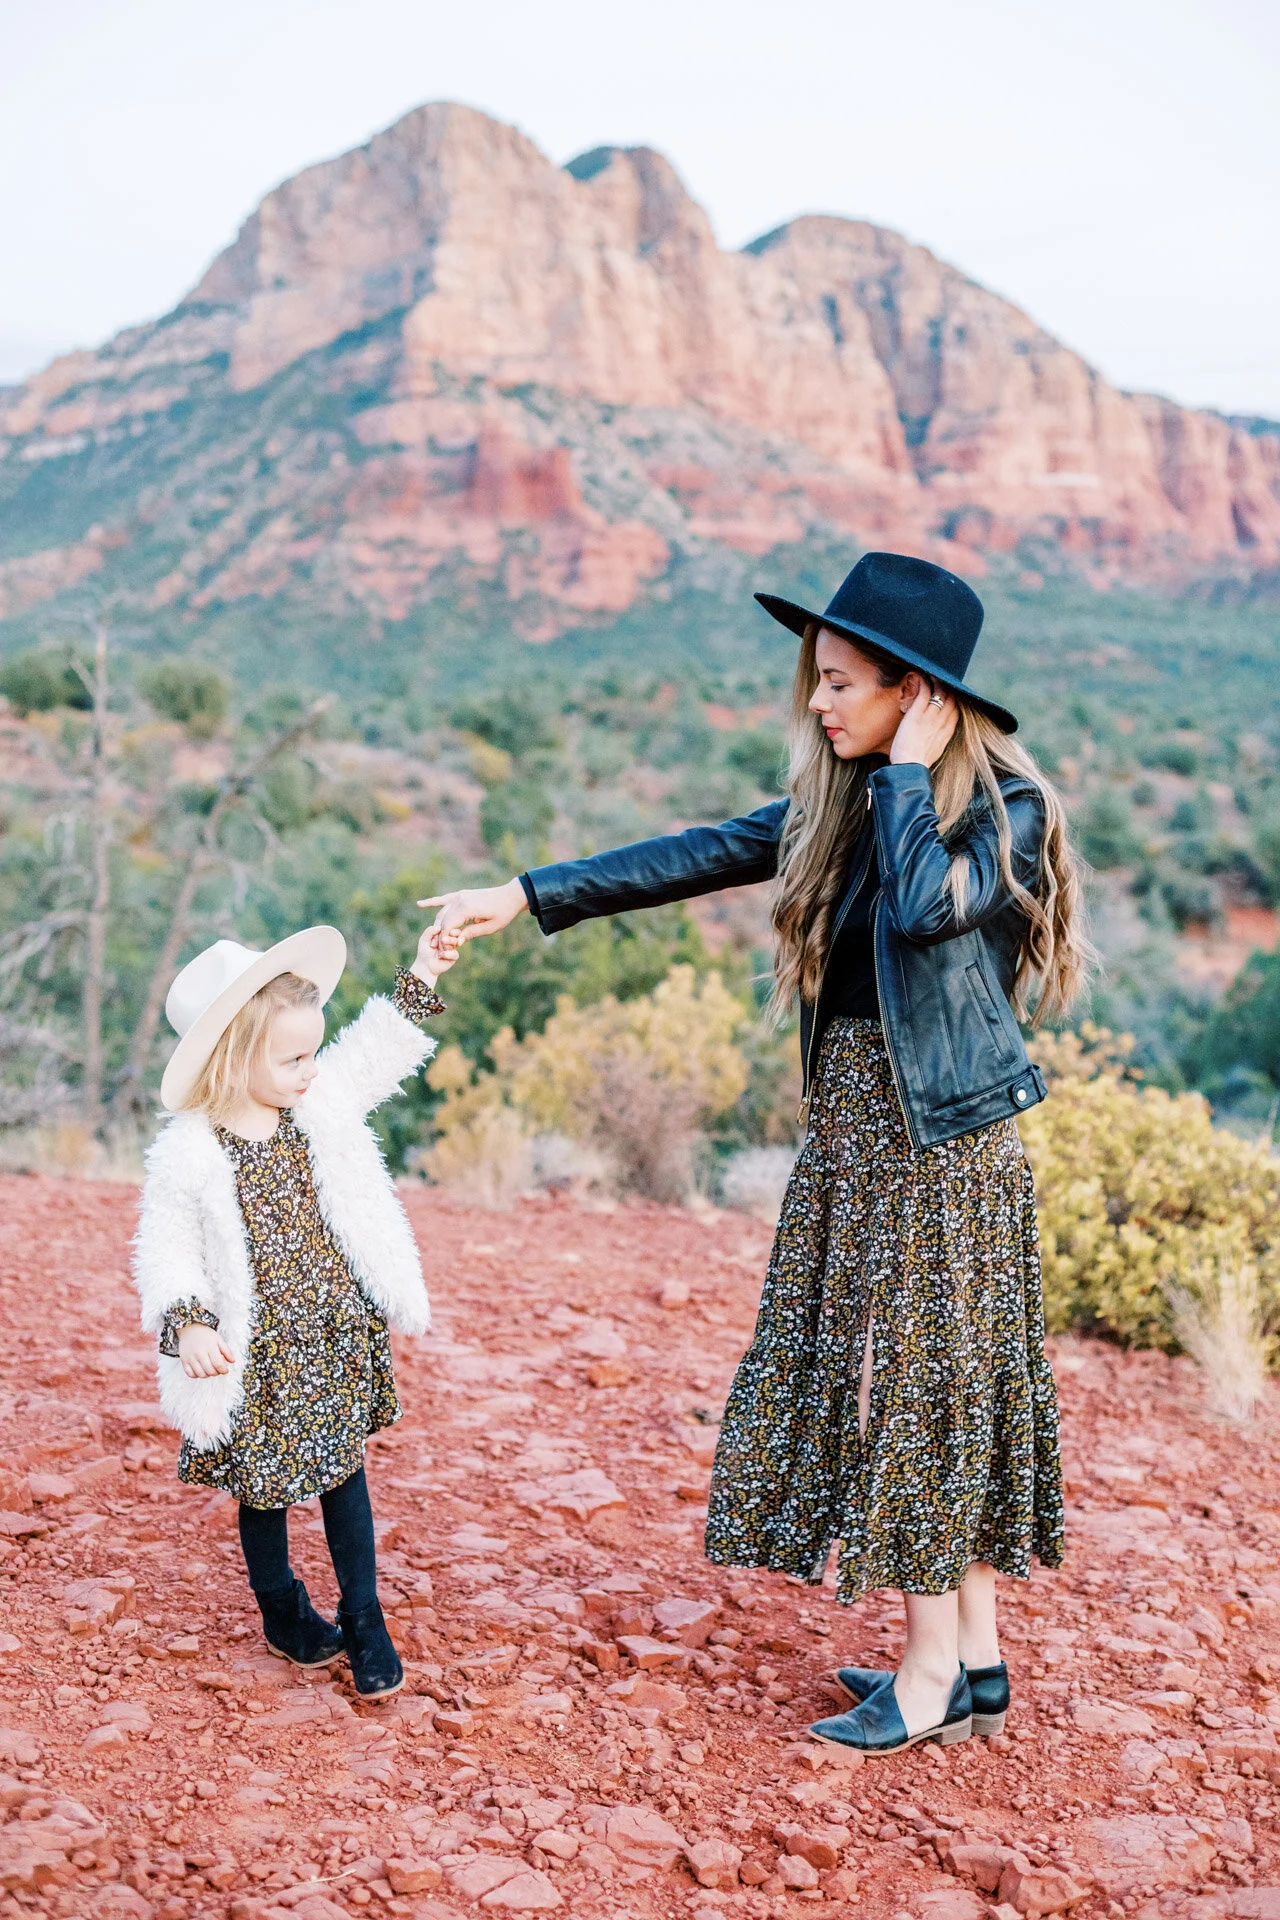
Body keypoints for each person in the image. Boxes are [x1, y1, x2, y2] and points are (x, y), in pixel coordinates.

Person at [422, 550, 1092, 1756]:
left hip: (937, 1142)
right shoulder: (838, 810)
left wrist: (900, 780)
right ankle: (977, 1663)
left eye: (841, 684)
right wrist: (520, 895)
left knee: (927, 1388)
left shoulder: (1004, 813)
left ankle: (932, 1671)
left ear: (915, 694)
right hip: (855, 1127)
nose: (819, 705)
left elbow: (926, 909)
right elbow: (689, 854)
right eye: (816, 685)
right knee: (915, 1377)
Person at [133, 919, 458, 1699]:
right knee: (265, 1487)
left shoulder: (317, 1102)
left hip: (332, 1329)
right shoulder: (190, 1154)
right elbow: (165, 1251)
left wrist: (424, 968)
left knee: (345, 1475)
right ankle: (282, 1611)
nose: (312, 1069)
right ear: (235, 1058)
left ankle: (364, 1617)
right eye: (293, 1057)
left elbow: (375, 1051)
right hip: (259, 1354)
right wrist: (190, 1324)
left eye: (313, 1051)